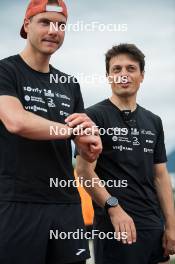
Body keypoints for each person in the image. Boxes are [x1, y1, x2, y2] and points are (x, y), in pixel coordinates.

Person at [0, 0, 102, 264]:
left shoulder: (69, 84)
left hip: (66, 205)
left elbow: (82, 152)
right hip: (17, 203)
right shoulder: (5, 71)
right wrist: (71, 131)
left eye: (60, 25)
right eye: (44, 22)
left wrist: (90, 143)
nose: (53, 31)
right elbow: (16, 121)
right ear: (26, 25)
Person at [76, 43, 175, 264]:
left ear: (142, 76)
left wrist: (170, 226)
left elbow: (160, 176)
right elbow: (84, 173)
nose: (123, 75)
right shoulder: (92, 116)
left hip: (153, 226)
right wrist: (114, 208)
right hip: (115, 227)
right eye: (116, 69)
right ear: (108, 76)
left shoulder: (154, 121)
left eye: (130, 69)